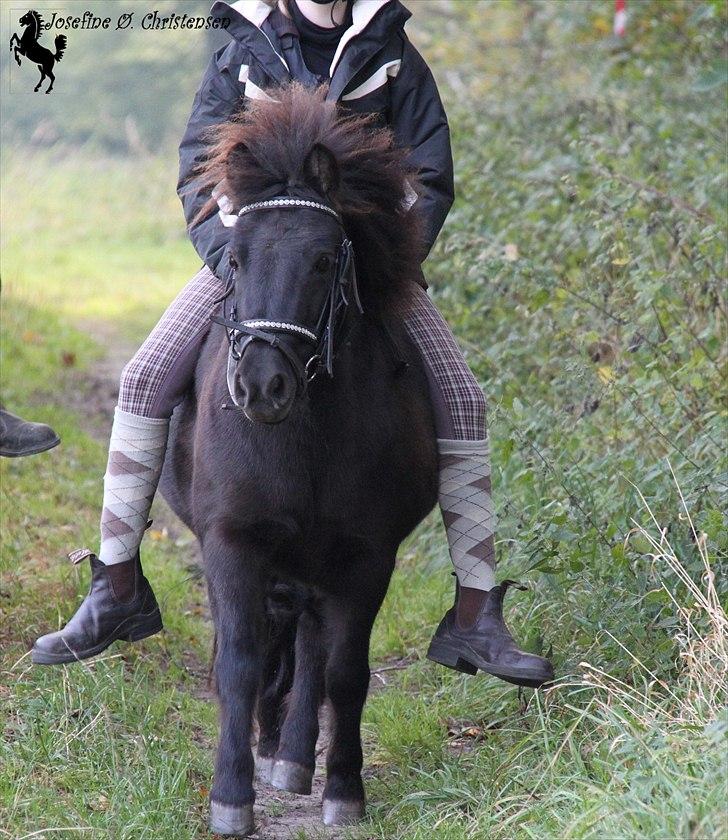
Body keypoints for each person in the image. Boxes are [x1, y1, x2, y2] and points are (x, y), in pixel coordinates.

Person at [32, 0, 553, 687]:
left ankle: (475, 613)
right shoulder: (240, 50)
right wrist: (237, 260)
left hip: (367, 272)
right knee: (143, 378)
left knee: (463, 399)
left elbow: (430, 175)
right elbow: (197, 171)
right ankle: (117, 585)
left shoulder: (391, 50)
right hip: (253, 270)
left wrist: (382, 264)